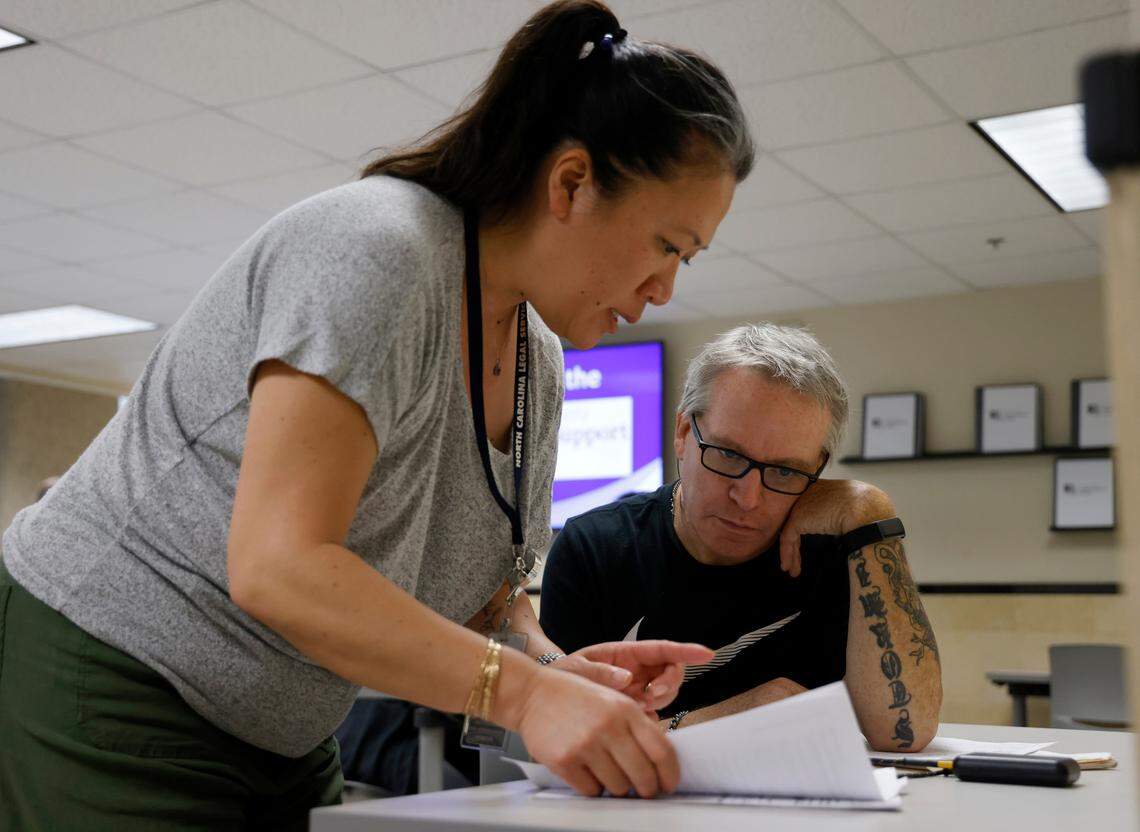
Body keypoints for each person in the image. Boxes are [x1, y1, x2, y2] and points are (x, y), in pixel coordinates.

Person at [0, 1, 755, 826]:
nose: (667, 288)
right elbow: (278, 565)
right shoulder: (381, 251)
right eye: (668, 246)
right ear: (571, 183)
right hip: (117, 670)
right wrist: (528, 696)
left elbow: (483, 596)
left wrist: (557, 670)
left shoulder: (540, 361)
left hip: (282, 729)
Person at [540, 324, 942, 751]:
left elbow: (906, 732)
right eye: (728, 455)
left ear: (818, 469)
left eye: (785, 471)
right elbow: (564, 741)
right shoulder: (596, 548)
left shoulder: (831, 550)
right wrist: (740, 715)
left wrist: (871, 510)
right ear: (682, 434)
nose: (748, 498)